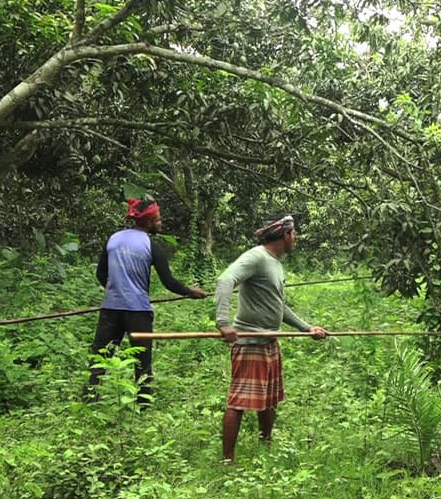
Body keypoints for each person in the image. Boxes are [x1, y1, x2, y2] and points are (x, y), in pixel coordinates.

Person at [214, 215, 327, 462]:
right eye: (294, 234)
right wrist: (223, 323)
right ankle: (228, 460)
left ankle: (265, 443)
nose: (296, 238)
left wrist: (306, 329)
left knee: (270, 398)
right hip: (250, 342)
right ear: (285, 235)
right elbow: (225, 280)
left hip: (269, 342)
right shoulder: (256, 257)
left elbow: (279, 307)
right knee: (239, 401)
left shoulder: (274, 262)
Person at [87, 198, 206, 403]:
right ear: (149, 222)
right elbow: (168, 282)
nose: (161, 224)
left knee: (100, 356)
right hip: (138, 312)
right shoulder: (152, 245)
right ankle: (143, 404)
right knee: (142, 361)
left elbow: (101, 273)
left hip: (110, 309)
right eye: (158, 220)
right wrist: (190, 292)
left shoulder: (113, 239)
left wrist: (116, 289)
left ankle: (90, 398)